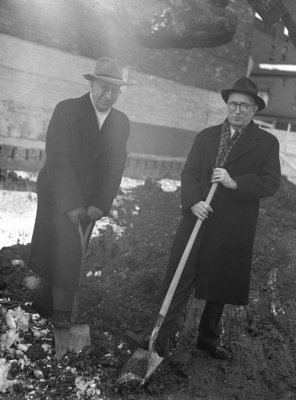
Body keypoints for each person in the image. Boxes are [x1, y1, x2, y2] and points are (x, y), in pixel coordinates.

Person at [126, 77, 281, 359]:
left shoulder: (266, 143)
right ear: (227, 105)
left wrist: (236, 182)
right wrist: (193, 202)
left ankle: (208, 340)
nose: (237, 110)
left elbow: (271, 182)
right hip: (198, 217)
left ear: (254, 110)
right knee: (180, 274)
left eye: (245, 106)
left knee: (220, 283)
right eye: (233, 104)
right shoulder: (207, 137)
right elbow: (190, 173)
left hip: (233, 224)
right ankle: (159, 337)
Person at [28, 57, 132, 328]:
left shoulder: (120, 122)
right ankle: (62, 315)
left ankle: (44, 303)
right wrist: (72, 202)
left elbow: (116, 166)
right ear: (92, 84)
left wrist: (100, 202)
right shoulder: (67, 110)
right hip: (58, 190)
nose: (108, 96)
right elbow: (58, 158)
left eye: (115, 91)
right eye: (103, 88)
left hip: (91, 198)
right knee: (63, 245)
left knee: (71, 248)